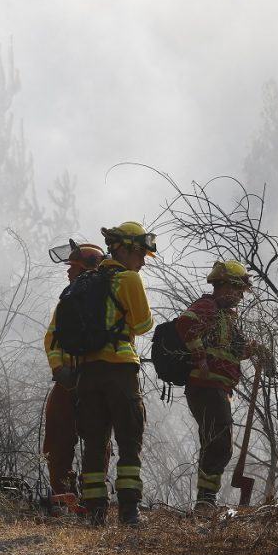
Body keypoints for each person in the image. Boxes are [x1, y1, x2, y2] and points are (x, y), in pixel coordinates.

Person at [75, 222, 156, 526]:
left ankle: (95, 512)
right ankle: (129, 511)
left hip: (87, 372)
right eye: (140, 253)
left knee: (94, 442)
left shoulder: (86, 281)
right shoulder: (129, 279)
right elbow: (143, 325)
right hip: (119, 369)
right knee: (129, 438)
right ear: (123, 249)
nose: (143, 261)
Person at [175, 260, 264, 513]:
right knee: (220, 442)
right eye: (237, 290)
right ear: (224, 285)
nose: (240, 297)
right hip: (206, 386)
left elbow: (232, 351)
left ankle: (205, 500)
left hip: (218, 388)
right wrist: (200, 359)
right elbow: (185, 324)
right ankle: (206, 501)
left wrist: (253, 350)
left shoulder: (225, 317)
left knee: (214, 441)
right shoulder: (207, 307)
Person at [42, 240, 107, 496]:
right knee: (58, 438)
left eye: (74, 267)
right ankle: (64, 496)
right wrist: (59, 369)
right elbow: (52, 339)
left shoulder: (106, 301)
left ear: (86, 270)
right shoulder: (67, 301)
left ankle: (92, 499)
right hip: (68, 381)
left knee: (96, 441)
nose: (68, 271)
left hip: (94, 381)